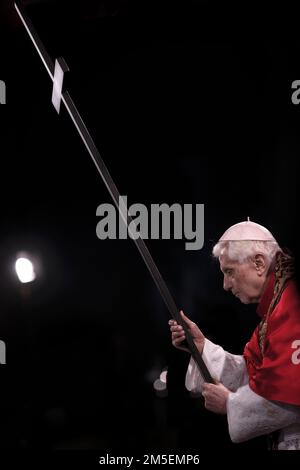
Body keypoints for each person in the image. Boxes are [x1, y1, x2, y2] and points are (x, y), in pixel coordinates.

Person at [169, 220, 300, 450]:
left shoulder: (292, 305)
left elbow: (289, 397)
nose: (225, 285)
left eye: (229, 272)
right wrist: (202, 348)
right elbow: (257, 376)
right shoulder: (276, 308)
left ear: (259, 263)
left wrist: (231, 404)